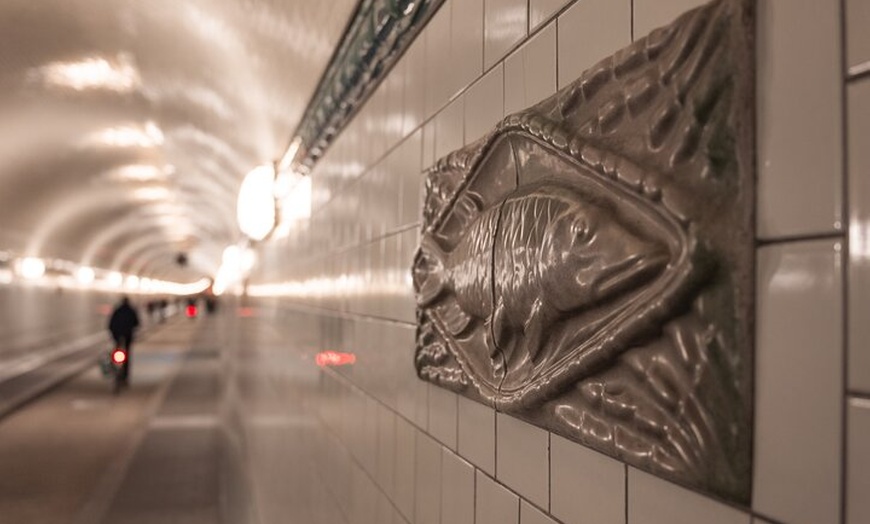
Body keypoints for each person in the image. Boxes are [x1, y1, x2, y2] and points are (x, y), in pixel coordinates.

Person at [108, 296, 140, 388]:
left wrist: (114, 336)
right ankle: (125, 376)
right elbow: (136, 323)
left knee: (116, 351)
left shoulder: (117, 310)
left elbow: (111, 324)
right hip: (127, 336)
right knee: (127, 355)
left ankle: (115, 370)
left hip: (117, 336)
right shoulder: (131, 310)